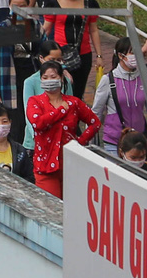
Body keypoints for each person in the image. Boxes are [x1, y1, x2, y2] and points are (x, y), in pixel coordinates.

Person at [25, 62, 100, 199]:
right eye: (45, 77)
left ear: (61, 78)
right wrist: (60, 111)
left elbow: (95, 123)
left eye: (53, 76)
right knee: (53, 210)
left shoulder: (74, 103)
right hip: (46, 167)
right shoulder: (34, 101)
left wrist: (79, 142)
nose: (49, 80)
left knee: (72, 209)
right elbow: (38, 123)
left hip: (71, 165)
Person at [92, 36, 147, 158]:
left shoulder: (144, 78)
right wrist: (91, 141)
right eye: (132, 52)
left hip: (138, 141)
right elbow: (96, 112)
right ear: (121, 55)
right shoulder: (108, 80)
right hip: (114, 140)